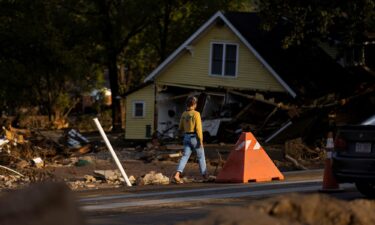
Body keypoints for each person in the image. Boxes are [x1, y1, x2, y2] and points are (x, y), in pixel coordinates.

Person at [174, 96, 208, 183]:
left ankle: (177, 174)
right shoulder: (196, 114)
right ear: (194, 104)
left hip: (186, 137)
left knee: (185, 157)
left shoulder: (184, 114)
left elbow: (180, 127)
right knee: (201, 156)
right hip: (194, 137)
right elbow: (198, 129)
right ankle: (205, 175)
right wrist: (201, 140)